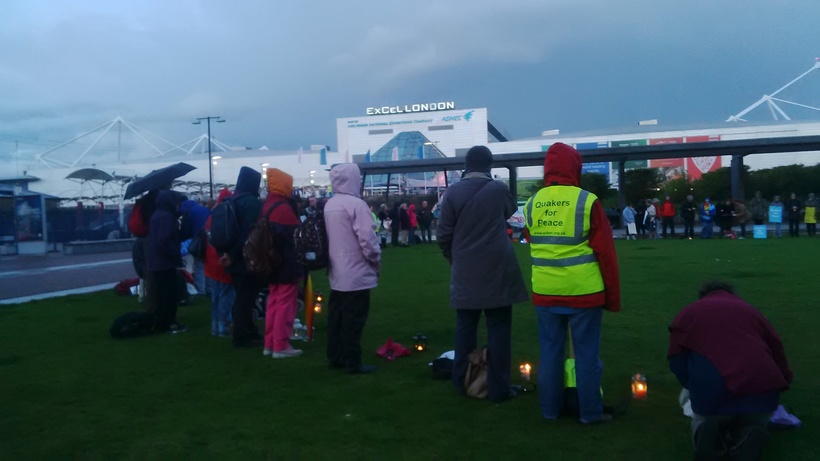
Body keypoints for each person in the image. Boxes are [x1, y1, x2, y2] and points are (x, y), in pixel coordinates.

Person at [523, 142, 620, 424]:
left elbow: (531, 239)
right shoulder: (587, 201)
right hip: (583, 292)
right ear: (575, 167)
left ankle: (549, 411)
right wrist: (612, 298)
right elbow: (606, 254)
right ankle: (590, 413)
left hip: (545, 291)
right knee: (586, 356)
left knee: (550, 354)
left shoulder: (532, 203)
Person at [437, 145, 528, 403]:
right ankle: (499, 388)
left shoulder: (452, 192)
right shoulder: (498, 190)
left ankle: (461, 381)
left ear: (467, 164)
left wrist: (455, 259)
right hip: (498, 267)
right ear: (490, 165)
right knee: (499, 328)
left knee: (465, 327)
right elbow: (510, 214)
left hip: (465, 268)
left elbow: (443, 235)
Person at [668, 281, 793, 460]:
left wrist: (691, 384)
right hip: (762, 392)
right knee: (751, 419)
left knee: (706, 418)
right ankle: (747, 435)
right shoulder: (751, 311)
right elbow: (776, 348)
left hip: (713, 393)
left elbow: (676, 357)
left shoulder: (690, 312)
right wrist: (784, 380)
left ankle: (708, 432)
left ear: (703, 296)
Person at [324, 163, 382, 374]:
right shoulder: (356, 205)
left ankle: (335, 356)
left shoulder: (330, 204)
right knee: (354, 319)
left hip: (337, 270)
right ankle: (353, 361)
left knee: (337, 318)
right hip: (356, 270)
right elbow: (367, 238)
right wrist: (375, 259)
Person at [262, 168, 304, 358]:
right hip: (285, 264)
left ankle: (270, 343)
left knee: (273, 302)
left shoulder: (267, 206)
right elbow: (295, 239)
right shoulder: (283, 209)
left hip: (270, 263)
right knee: (285, 304)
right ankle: (281, 345)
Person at [221, 166, 264, 348]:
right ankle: (240, 336)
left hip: (231, 255)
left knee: (242, 295)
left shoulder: (231, 200)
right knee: (246, 298)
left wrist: (227, 254)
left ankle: (248, 330)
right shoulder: (252, 202)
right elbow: (249, 232)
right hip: (246, 256)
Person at [146, 190, 186, 333]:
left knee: (162, 294)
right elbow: (164, 240)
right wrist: (176, 253)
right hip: (165, 262)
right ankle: (169, 323)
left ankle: (162, 322)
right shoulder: (166, 217)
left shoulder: (157, 215)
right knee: (169, 294)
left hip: (157, 262)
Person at [205, 189, 234, 337]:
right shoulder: (228, 216)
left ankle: (215, 326)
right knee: (226, 296)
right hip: (223, 262)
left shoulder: (211, 217)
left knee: (215, 297)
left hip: (211, 264)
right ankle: (224, 327)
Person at [180, 198, 211, 295]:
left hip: (198, 242)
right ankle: (209, 289)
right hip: (210, 240)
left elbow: (186, 230)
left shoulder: (188, 212)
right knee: (209, 266)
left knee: (199, 267)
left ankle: (201, 290)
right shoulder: (205, 209)